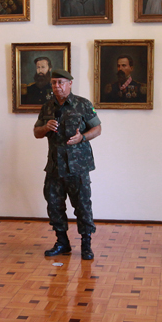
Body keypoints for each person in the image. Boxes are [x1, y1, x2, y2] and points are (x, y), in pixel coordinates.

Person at [33, 69, 102, 260]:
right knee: (54, 204)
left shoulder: (83, 104)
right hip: (55, 166)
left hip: (78, 166)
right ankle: (62, 242)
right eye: (54, 83)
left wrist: (82, 137)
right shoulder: (47, 107)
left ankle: (86, 244)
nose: (57, 86)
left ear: (70, 84)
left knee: (82, 205)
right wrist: (45, 127)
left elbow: (97, 128)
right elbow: (36, 132)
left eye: (61, 82)